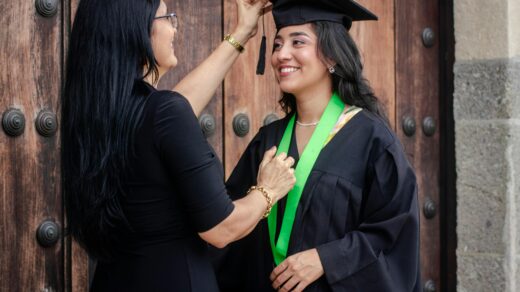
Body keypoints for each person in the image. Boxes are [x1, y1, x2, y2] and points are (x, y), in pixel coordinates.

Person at [61, 0, 296, 291]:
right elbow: (222, 229)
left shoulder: (98, 114)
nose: (175, 27)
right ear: (138, 29)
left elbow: (175, 109)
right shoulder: (161, 114)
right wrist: (268, 190)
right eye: (167, 17)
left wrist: (242, 32)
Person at [214, 0, 421, 291]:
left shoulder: (372, 140)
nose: (282, 55)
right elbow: (231, 229)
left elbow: (394, 233)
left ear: (331, 56)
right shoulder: (269, 139)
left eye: (298, 42)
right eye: (277, 44)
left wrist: (327, 259)